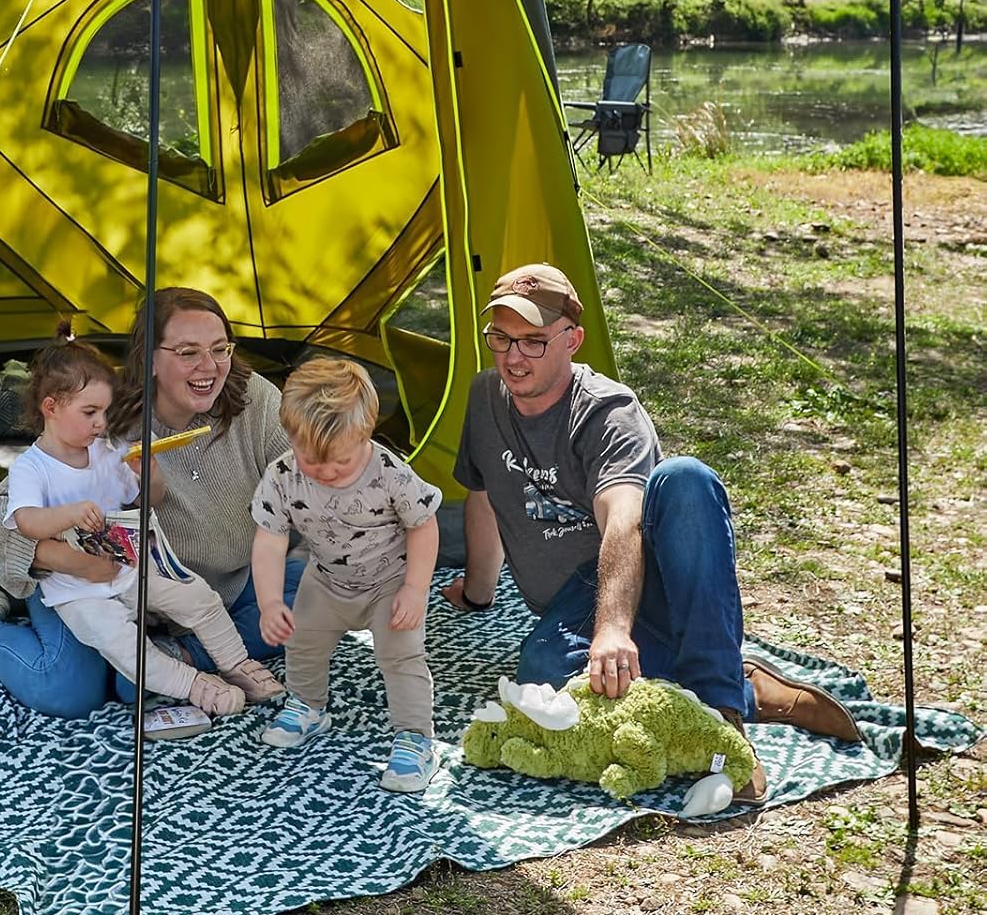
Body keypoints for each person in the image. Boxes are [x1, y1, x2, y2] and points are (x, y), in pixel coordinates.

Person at [443, 262, 861, 803]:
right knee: (542, 679)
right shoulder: (484, 397)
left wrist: (613, 630)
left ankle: (723, 712)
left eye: (533, 341)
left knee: (685, 479)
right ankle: (740, 683)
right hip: (570, 601)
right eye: (500, 338)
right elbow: (483, 492)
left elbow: (624, 519)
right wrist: (479, 592)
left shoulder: (609, 412)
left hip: (641, 572)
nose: (513, 357)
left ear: (573, 340)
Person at [0, 288, 306, 717]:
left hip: (217, 585)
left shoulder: (253, 399)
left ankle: (178, 656)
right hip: (94, 585)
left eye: (219, 349)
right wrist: (66, 559)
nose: (209, 367)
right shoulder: (103, 417)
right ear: (149, 359)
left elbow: (306, 479)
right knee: (64, 689)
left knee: (321, 596)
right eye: (188, 352)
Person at [0, 329, 281, 715]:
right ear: (51, 407)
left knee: (198, 597)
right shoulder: (31, 468)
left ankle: (237, 663)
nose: (101, 423)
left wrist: (148, 473)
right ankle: (194, 685)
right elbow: (25, 521)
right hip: (78, 592)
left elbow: (148, 499)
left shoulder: (104, 451)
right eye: (90, 413)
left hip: (127, 566)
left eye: (105, 412)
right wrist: (69, 514)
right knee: (125, 646)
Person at [252, 358, 443, 793]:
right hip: (326, 579)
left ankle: (415, 738)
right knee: (302, 641)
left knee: (400, 654)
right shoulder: (282, 476)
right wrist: (270, 602)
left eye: (340, 460)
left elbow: (423, 525)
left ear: (366, 434)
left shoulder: (389, 473)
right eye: (311, 460)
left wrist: (415, 589)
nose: (326, 472)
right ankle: (308, 706)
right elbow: (270, 540)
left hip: (390, 581)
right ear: (291, 438)